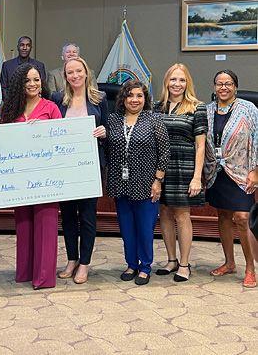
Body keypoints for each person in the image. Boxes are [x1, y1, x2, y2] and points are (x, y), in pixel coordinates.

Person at [0, 63, 62, 290]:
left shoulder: (51, 108)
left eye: (37, 80)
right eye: (28, 80)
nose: (33, 84)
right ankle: (25, 272)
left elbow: (61, 141)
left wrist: (41, 133)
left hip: (46, 176)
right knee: (24, 225)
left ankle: (44, 277)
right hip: (19, 178)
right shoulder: (10, 110)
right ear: (19, 84)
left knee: (46, 224)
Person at [106, 80, 169, 286]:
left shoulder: (154, 119)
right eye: (130, 95)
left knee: (144, 228)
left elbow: (164, 152)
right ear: (123, 98)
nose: (135, 99)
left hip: (145, 182)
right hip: (120, 182)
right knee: (126, 228)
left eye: (139, 96)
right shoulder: (113, 119)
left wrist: (158, 181)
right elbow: (107, 146)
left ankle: (145, 267)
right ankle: (131, 264)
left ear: (145, 99)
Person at [50, 57, 108, 284]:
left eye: (78, 71)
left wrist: (104, 132)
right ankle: (71, 259)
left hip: (90, 166)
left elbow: (109, 128)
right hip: (65, 168)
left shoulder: (99, 98)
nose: (75, 76)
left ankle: (84, 263)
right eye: (70, 72)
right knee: (68, 216)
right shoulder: (57, 99)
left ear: (86, 73)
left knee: (87, 217)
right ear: (65, 76)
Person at [153, 64, 207, 282]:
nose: (177, 84)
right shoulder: (157, 107)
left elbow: (201, 146)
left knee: (182, 215)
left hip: (184, 167)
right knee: (164, 212)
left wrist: (196, 177)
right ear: (166, 82)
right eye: (173, 80)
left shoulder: (197, 107)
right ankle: (171, 259)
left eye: (182, 80)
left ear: (188, 83)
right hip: (160, 168)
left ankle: (184, 264)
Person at [204, 70, 257, 288]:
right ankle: (229, 263)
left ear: (235, 86)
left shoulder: (249, 109)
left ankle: (250, 268)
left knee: (242, 217)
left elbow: (256, 139)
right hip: (216, 171)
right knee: (223, 216)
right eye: (219, 84)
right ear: (214, 87)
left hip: (241, 171)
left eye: (228, 83)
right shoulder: (206, 110)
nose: (223, 87)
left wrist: (255, 170)